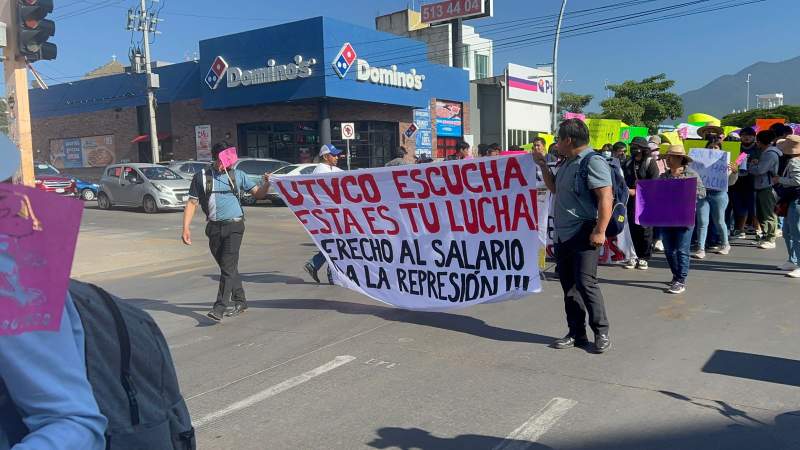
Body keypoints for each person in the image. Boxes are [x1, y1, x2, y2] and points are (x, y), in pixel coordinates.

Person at [533, 119, 612, 354]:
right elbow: (555, 188)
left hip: (584, 232)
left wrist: (600, 230)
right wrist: (543, 165)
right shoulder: (567, 162)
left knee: (586, 283)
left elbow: (605, 197)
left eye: (558, 138)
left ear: (568, 140)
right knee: (569, 286)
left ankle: (601, 332)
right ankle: (576, 333)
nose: (556, 143)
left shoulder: (593, 161)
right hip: (563, 235)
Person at [182, 143, 272, 322]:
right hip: (213, 228)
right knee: (227, 267)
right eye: (224, 162)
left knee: (228, 266)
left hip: (235, 226)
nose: (228, 165)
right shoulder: (201, 177)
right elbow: (192, 203)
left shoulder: (238, 175)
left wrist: (267, 183)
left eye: (230, 162)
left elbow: (259, 195)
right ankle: (241, 300)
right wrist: (185, 228)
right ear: (215, 159)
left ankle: (219, 308)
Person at [659, 145, 706, 294]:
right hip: (666, 217)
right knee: (668, 250)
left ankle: (681, 280)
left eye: (671, 157)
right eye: (667, 157)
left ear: (680, 159)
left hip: (684, 217)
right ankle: (676, 275)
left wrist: (686, 192)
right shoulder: (663, 176)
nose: (668, 159)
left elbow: (702, 193)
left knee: (681, 249)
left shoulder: (691, 175)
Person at [304, 144, 344, 284]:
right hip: (326, 214)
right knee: (335, 243)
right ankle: (329, 273)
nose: (337, 157)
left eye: (337, 155)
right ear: (326, 156)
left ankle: (316, 265)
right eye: (334, 155)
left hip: (332, 213)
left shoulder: (331, 169)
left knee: (335, 243)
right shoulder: (321, 171)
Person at [692, 135, 735, 258]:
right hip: (702, 194)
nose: (713, 149)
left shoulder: (725, 163)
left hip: (719, 194)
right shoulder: (698, 162)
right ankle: (700, 248)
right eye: (710, 147)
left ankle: (725, 244)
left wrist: (734, 171)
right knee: (702, 221)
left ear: (720, 149)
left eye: (716, 147)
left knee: (719, 221)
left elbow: (731, 182)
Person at [622, 137, 660, 270]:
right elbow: (623, 180)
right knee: (632, 229)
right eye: (632, 146)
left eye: (636, 146)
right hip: (630, 201)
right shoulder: (627, 163)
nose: (633, 149)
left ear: (643, 149)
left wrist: (636, 191)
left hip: (646, 201)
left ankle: (644, 257)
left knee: (645, 229)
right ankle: (634, 256)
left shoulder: (650, 163)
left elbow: (655, 184)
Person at [772, 135, 800, 277]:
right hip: (793, 199)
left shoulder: (794, 161)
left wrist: (779, 179)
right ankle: (793, 260)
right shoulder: (795, 160)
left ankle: (796, 261)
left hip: (795, 199)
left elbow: (797, 181)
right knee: (789, 231)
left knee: (794, 232)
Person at [749, 130, 781, 249]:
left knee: (768, 213)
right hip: (764, 185)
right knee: (762, 213)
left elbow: (760, 170)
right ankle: (765, 236)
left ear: (760, 142)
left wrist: (751, 165)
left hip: (767, 186)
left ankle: (770, 238)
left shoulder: (770, 154)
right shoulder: (770, 152)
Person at [731, 127, 758, 239]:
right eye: (744, 135)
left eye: (750, 135)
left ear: (754, 137)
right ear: (740, 137)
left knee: (753, 206)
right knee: (738, 205)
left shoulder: (758, 149)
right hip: (737, 180)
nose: (746, 137)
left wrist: (756, 161)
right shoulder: (735, 147)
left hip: (753, 181)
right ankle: (740, 229)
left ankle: (758, 230)